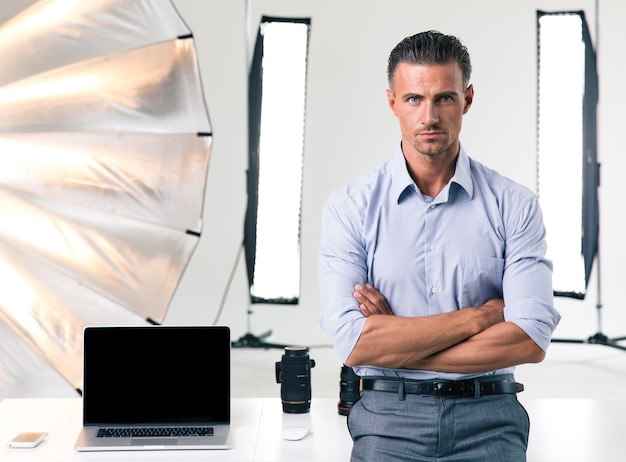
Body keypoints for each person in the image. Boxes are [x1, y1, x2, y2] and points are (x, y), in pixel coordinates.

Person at [318, 30, 561, 461]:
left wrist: (398, 341)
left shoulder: (514, 204)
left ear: (467, 99)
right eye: (414, 99)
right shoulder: (350, 207)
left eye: (444, 98)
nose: (429, 116)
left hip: (489, 418)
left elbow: (529, 338)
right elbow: (354, 344)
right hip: (388, 419)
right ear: (392, 102)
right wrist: (480, 317)